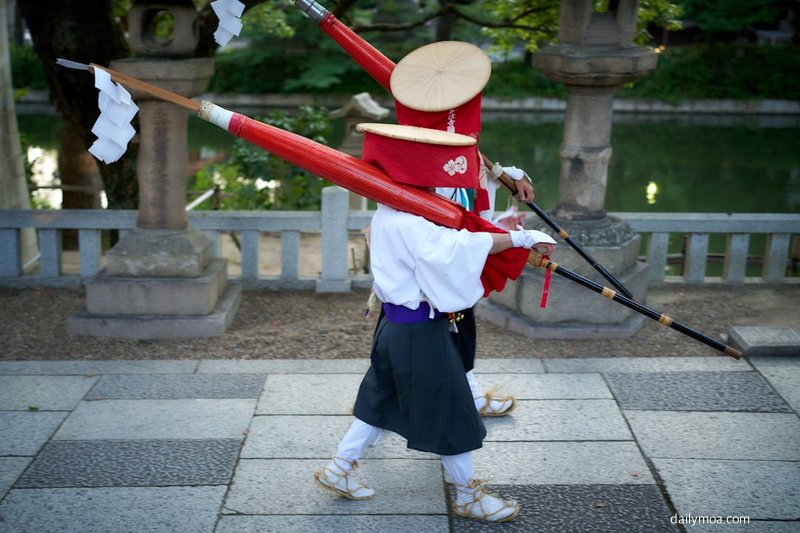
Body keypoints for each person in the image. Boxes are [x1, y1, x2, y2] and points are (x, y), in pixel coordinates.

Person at [315, 122, 556, 522]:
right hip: (420, 332)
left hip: (395, 329)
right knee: (451, 411)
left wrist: (505, 231)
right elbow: (460, 248)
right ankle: (468, 496)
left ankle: (339, 470)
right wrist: (519, 239)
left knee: (378, 401)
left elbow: (459, 239)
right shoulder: (411, 220)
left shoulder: (390, 211)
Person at [389, 40, 544, 417]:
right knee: (442, 326)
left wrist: (510, 175)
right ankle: (461, 398)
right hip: (430, 253)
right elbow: (452, 187)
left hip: (444, 251)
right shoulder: (419, 149)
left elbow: (473, 164)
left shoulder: (456, 146)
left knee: (442, 326)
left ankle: (394, 400)